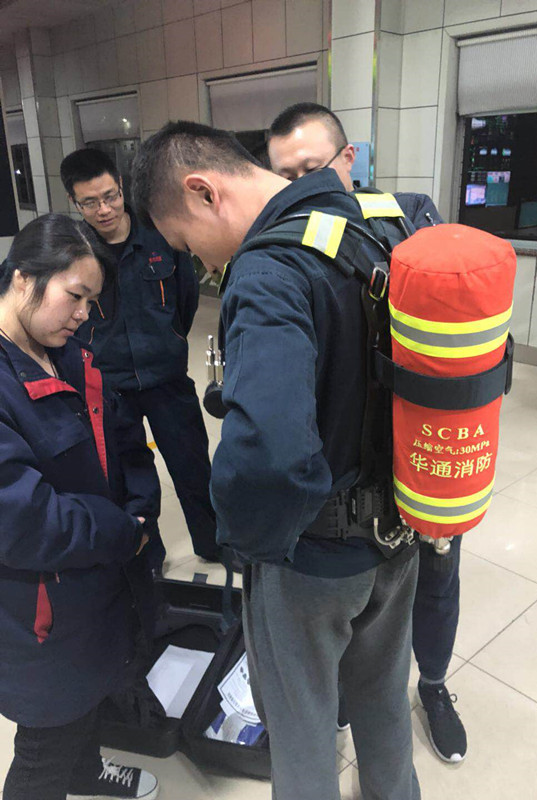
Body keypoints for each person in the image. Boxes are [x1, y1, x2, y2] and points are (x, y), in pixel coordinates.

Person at [132, 121, 420, 800]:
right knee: (382, 699)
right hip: (400, 532)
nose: (200, 265)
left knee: (301, 729)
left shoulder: (267, 270)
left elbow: (269, 458)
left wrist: (245, 544)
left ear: (204, 192)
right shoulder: (372, 221)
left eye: (186, 244)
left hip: (313, 558)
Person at [267, 102, 467, 764]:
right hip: (359, 475)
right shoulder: (292, 243)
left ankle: (433, 686)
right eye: (283, 176)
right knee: (369, 613)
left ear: (347, 159)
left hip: (426, 450)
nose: (297, 187)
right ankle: (354, 699)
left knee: (436, 577)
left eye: (310, 169)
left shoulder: (408, 218)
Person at [0, 214, 159, 800]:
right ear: (23, 278)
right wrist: (124, 532)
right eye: (75, 296)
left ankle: (87, 773)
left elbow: (123, 435)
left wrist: (142, 504)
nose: (84, 314)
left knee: (89, 694)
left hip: (96, 579)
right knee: (46, 742)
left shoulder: (67, 352)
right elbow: (25, 519)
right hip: (41, 605)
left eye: (92, 301)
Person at [60, 148, 218, 569]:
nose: (104, 209)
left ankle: (214, 545)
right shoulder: (74, 252)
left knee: (192, 466)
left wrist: (167, 340)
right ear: (74, 202)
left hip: (167, 379)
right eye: (89, 202)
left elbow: (186, 301)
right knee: (130, 477)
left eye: (110, 196)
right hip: (109, 387)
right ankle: (148, 553)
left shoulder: (159, 234)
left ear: (121, 186)